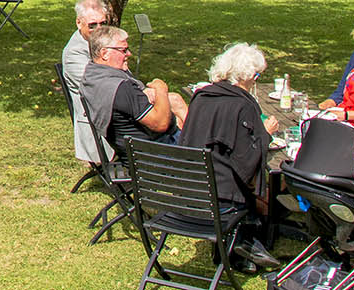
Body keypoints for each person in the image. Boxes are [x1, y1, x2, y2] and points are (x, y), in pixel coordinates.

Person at [179, 43, 283, 271]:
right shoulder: (243, 105)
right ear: (246, 76)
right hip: (221, 201)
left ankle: (241, 245)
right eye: (256, 76)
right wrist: (265, 134)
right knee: (256, 190)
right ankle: (246, 243)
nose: (256, 80)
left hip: (190, 191)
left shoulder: (201, 96)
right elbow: (248, 162)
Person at [79, 25, 188, 156]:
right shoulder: (121, 88)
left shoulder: (92, 77)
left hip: (135, 153)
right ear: (105, 53)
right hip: (157, 158)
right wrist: (161, 89)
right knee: (210, 148)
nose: (129, 54)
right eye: (123, 50)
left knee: (176, 103)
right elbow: (160, 124)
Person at [62, 0, 111, 165]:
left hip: (115, 104)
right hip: (101, 117)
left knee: (174, 101)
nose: (99, 30)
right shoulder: (74, 53)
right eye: (92, 25)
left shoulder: (105, 44)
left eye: (103, 24)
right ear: (78, 23)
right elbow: (100, 86)